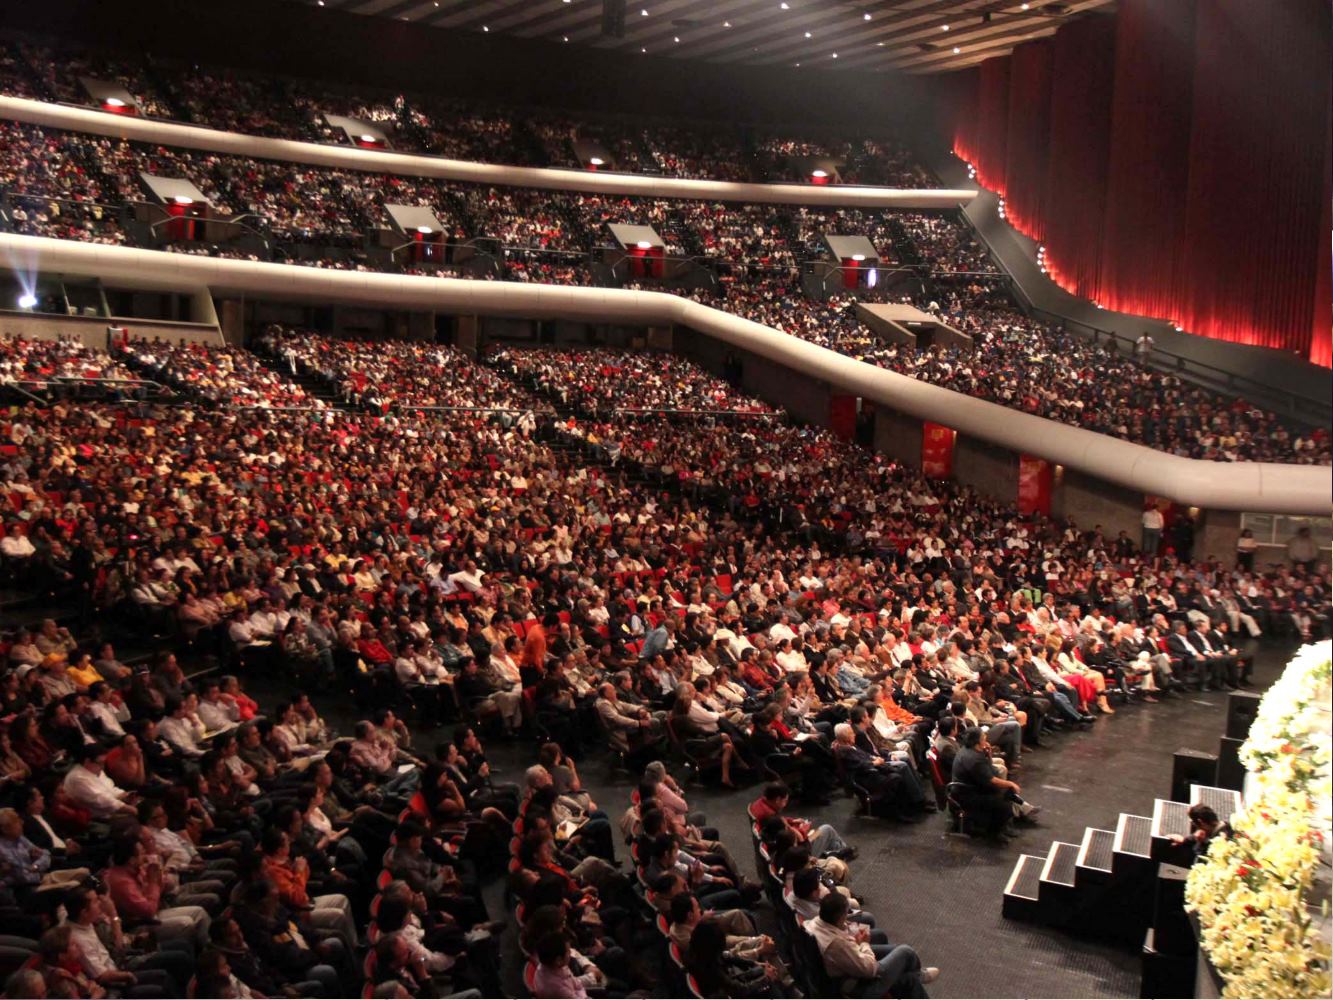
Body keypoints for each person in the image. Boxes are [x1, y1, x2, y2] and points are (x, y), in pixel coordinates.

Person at [805, 891, 937, 998]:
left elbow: (841, 933)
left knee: (883, 939)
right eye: (847, 913)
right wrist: (864, 944)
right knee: (905, 952)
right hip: (858, 986)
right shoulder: (836, 945)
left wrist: (854, 938)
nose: (848, 916)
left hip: (846, 965)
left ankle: (913, 976)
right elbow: (869, 969)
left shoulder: (815, 922)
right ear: (840, 917)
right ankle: (919, 976)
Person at [950, 727, 1037, 840]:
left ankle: (1011, 820)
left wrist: (989, 756)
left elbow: (991, 771)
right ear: (978, 741)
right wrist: (1010, 783)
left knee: (1008, 793)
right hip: (967, 794)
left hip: (974, 786)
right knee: (1004, 803)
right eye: (983, 737)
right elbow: (991, 779)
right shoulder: (974, 759)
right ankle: (994, 832)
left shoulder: (973, 751)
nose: (986, 738)